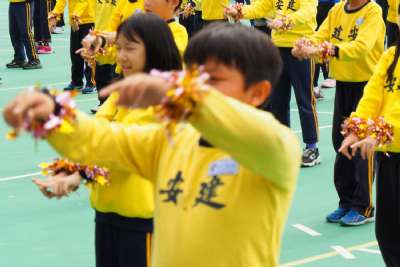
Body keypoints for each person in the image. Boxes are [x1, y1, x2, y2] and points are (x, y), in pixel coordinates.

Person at [4, 23, 301, 267]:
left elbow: (253, 130)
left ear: (258, 92)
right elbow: (103, 141)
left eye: (214, 79)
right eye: (192, 77)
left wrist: (177, 93)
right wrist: (54, 112)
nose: (197, 87)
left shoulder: (275, 148)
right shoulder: (171, 140)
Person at [33, 13, 182, 267]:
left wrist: (55, 116)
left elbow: (118, 148)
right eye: (119, 48)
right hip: (107, 210)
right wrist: (73, 171)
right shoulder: (121, 92)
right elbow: (96, 133)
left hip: (142, 218)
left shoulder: (162, 103)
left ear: (155, 51)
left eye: (130, 49)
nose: (121, 56)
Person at [292, 0, 385, 225]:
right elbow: (320, 34)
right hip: (344, 84)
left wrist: (327, 50)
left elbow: (361, 46)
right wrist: (306, 44)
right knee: (339, 143)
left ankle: (364, 207)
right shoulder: (337, 10)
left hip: (367, 86)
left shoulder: (373, 11)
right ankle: (345, 201)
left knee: (361, 147)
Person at [225, 0, 321, 168]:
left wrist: (285, 20)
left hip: (301, 48)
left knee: (304, 99)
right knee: (278, 100)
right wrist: (239, 11)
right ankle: (283, 145)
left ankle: (312, 147)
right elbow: (260, 7)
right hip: (278, 47)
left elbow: (308, 12)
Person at [339, 32, 400, 265]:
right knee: (387, 232)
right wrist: (357, 129)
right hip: (389, 155)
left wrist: (382, 131)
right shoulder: (391, 56)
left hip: (389, 141)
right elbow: (372, 96)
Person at [49, 0, 95, 93]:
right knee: (75, 52)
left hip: (88, 20)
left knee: (89, 54)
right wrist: (54, 14)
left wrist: (76, 15)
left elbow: (84, 1)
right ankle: (76, 82)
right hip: (75, 20)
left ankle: (91, 83)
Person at [7, 0, 42, 70]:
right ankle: (19, 58)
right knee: (14, 33)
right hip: (13, 3)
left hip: (25, 3)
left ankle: (34, 59)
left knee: (26, 32)